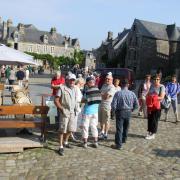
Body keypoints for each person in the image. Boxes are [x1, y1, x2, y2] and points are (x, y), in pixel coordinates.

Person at [54, 74, 78, 156]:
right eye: (71, 80)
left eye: (73, 80)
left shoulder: (75, 88)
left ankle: (66, 142)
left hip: (73, 112)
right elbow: (56, 100)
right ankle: (60, 146)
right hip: (64, 112)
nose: (72, 81)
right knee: (62, 130)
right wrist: (61, 109)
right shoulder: (62, 88)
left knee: (71, 129)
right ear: (67, 80)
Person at [111, 79, 139, 150]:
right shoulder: (132, 93)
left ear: (121, 85)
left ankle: (118, 144)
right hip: (128, 111)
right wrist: (132, 110)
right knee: (126, 127)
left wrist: (113, 113)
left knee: (119, 128)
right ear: (128, 85)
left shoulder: (118, 93)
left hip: (120, 112)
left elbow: (113, 105)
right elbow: (137, 104)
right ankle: (124, 139)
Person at [81, 77, 101, 148]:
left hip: (87, 111)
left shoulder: (88, 91)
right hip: (95, 111)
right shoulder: (98, 90)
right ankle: (95, 142)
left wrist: (82, 100)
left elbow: (83, 100)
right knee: (94, 127)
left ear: (88, 83)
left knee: (85, 127)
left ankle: (85, 143)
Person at [145, 75, 165, 140]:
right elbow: (148, 94)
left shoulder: (162, 87)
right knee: (150, 119)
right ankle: (149, 131)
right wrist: (148, 96)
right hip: (150, 105)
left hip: (157, 106)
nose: (156, 80)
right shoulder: (152, 86)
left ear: (160, 80)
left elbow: (162, 97)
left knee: (154, 120)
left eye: (157, 79)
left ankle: (153, 133)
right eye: (155, 79)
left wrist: (153, 97)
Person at [99, 72, 116, 140]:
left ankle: (106, 133)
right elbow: (101, 94)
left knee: (106, 120)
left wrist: (102, 94)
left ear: (112, 80)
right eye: (106, 79)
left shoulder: (112, 87)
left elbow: (106, 97)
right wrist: (103, 94)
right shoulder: (104, 85)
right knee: (101, 120)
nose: (107, 80)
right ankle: (102, 131)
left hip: (107, 105)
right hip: (101, 104)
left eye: (109, 79)